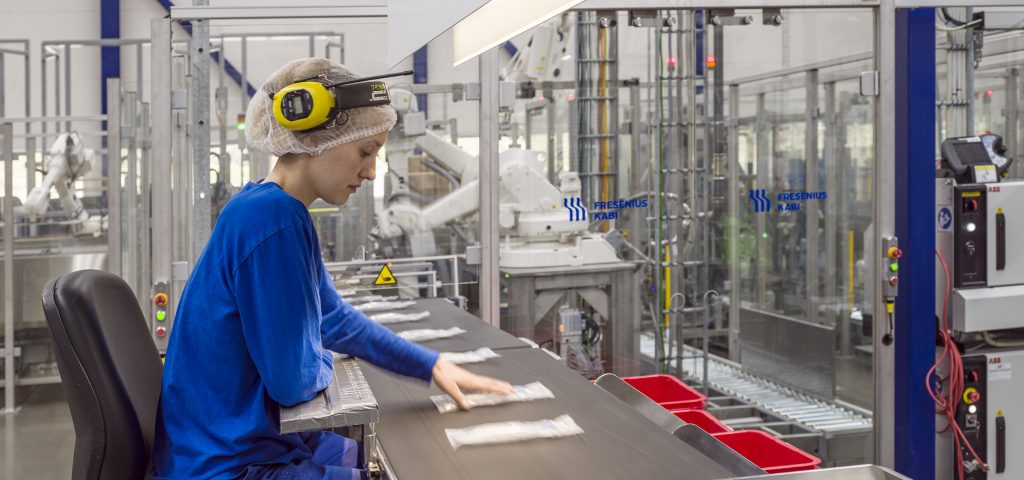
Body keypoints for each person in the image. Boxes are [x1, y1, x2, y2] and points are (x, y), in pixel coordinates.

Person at [152, 58, 512, 480]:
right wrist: (318, 352)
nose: (372, 172)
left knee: (368, 455)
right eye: (366, 151)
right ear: (317, 139)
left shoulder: (272, 209)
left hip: (241, 446)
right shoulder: (273, 219)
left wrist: (430, 365)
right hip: (227, 466)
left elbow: (332, 318)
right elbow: (292, 382)